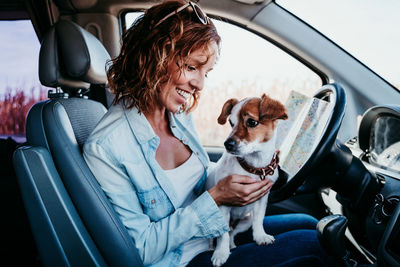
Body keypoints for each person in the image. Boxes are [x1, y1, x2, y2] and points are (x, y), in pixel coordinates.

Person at [83, 1, 335, 266]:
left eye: (207, 72)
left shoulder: (178, 115)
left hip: (217, 231)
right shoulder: (106, 147)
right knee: (316, 244)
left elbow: (202, 176)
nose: (199, 84)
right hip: (184, 258)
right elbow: (139, 250)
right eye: (191, 67)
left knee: (312, 224)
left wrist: (253, 164)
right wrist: (215, 197)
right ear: (152, 57)